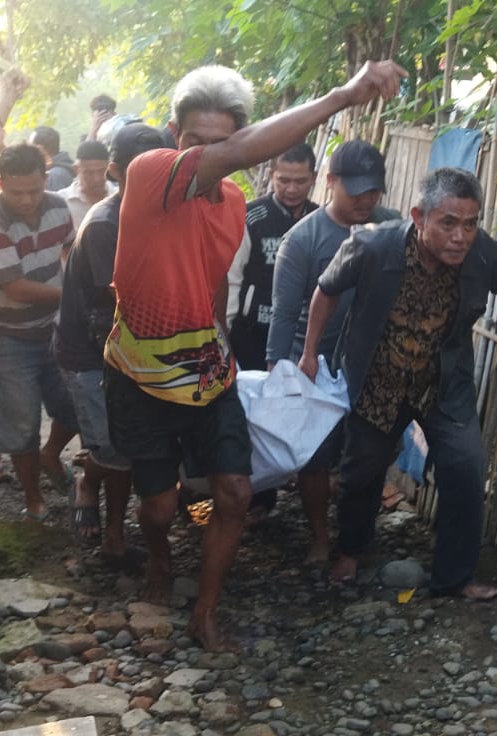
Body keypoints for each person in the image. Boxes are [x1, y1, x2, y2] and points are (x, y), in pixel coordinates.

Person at [102, 60, 405, 651]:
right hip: (138, 376)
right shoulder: (149, 173)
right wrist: (342, 95)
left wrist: (222, 348)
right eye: (197, 141)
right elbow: (236, 154)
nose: (211, 155)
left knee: (236, 493)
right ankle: (159, 557)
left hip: (208, 373)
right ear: (174, 135)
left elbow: (214, 279)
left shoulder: (232, 202)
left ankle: (206, 613)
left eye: (223, 142)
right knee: (160, 508)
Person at [298, 167, 497, 598]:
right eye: (448, 223)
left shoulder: (483, 255)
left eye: (470, 224)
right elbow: (326, 290)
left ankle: (455, 577)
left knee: (465, 466)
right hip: (379, 379)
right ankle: (350, 549)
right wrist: (309, 353)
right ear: (419, 217)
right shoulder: (372, 246)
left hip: (443, 382)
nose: (460, 236)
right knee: (362, 468)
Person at [263, 138, 401, 563]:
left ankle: (355, 539)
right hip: (315, 362)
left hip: (375, 360)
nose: (365, 200)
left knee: (372, 450)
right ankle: (320, 537)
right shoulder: (301, 241)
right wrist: (279, 371)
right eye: (354, 190)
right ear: (331, 182)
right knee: (316, 457)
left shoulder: (392, 227)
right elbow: (284, 313)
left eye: (373, 191)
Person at [53, 123, 172, 555]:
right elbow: (122, 297)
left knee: (128, 446)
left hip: (132, 348)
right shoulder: (106, 223)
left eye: (161, 168)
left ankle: (115, 538)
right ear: (116, 171)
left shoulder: (162, 215)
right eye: (140, 170)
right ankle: (87, 483)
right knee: (114, 448)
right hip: (90, 352)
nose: (153, 178)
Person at [0, 144, 79, 519]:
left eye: (34, 190)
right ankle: (33, 497)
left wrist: (73, 283)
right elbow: (17, 290)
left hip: (54, 330)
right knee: (22, 426)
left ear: (46, 178)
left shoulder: (58, 206)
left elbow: (71, 250)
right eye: (16, 191)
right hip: (7, 338)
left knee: (75, 407)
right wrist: (76, 295)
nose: (26, 200)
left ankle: (50, 455)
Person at [224, 143, 316, 372]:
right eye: (283, 180)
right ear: (270, 174)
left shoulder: (319, 222)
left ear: (314, 178)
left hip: (301, 340)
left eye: (300, 181)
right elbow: (231, 280)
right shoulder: (250, 218)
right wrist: (224, 338)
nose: (292, 189)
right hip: (250, 336)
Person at [58, 139, 114, 227]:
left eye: (102, 171)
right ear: (76, 169)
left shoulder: (120, 196)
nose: (97, 179)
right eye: (89, 173)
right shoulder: (62, 202)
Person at [29, 126, 76, 191]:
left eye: (30, 146)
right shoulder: (57, 171)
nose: (28, 150)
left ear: (40, 149)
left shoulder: (54, 176)